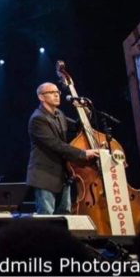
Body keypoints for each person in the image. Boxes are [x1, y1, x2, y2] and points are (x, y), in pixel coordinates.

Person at [26, 82, 98, 215]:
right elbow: (56, 144)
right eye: (51, 92)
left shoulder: (59, 114)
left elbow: (77, 127)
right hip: (45, 174)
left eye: (58, 92)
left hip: (63, 174)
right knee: (47, 214)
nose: (57, 95)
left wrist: (86, 113)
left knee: (65, 215)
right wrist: (82, 153)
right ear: (41, 97)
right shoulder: (38, 119)